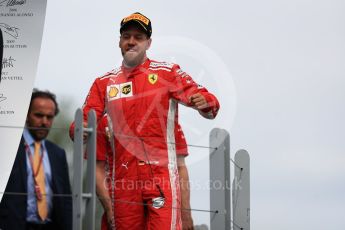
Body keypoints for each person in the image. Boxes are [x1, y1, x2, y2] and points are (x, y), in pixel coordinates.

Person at [70, 12, 220, 230]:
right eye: (126, 36)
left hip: (161, 178)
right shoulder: (103, 82)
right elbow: (83, 120)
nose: (131, 41)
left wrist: (204, 102)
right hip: (123, 182)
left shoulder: (167, 72)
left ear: (148, 43)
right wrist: (79, 130)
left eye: (138, 37)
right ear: (119, 41)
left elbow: (209, 103)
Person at [95, 114, 194, 230]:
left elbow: (180, 167)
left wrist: (185, 212)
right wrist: (109, 208)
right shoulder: (107, 121)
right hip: (123, 201)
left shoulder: (167, 120)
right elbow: (97, 168)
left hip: (161, 199)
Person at [0, 89, 72, 230]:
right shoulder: (8, 147)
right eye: (39, 115)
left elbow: (65, 201)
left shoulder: (58, 153)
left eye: (49, 117)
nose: (44, 122)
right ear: (26, 115)